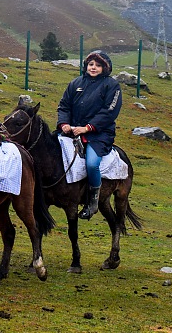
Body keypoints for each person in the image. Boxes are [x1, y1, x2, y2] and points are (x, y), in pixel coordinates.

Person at [57, 50, 122, 220]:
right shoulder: (75, 83)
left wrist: (87, 128)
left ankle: (93, 202)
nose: (93, 67)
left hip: (99, 135)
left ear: (105, 68)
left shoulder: (112, 86)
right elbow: (64, 106)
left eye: (98, 65)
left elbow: (109, 112)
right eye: (91, 64)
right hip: (72, 131)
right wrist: (64, 124)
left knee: (92, 164)